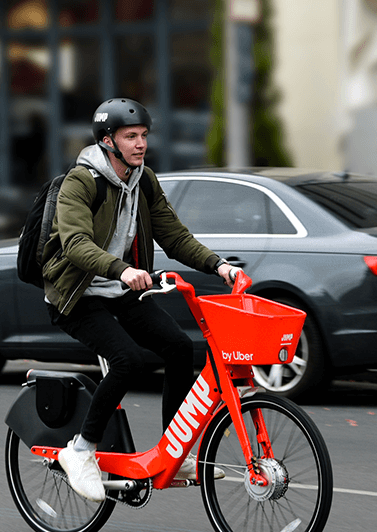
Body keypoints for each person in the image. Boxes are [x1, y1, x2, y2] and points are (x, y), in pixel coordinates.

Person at [41, 98, 239, 502]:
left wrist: (218, 265)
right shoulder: (81, 183)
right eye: (131, 136)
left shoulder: (143, 180)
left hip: (120, 291)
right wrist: (122, 270)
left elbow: (174, 235)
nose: (140, 144)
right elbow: (76, 243)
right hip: (77, 295)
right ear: (107, 140)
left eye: (144, 135)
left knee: (181, 349)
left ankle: (175, 450)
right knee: (127, 360)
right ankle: (80, 451)